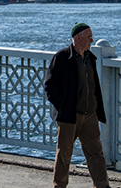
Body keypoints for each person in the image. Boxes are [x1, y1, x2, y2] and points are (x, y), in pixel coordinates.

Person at [44, 22, 110, 188]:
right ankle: (59, 186)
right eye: (89, 37)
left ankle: (102, 185)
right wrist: (63, 107)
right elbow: (49, 86)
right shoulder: (61, 57)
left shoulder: (90, 58)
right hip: (69, 115)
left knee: (96, 154)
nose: (92, 40)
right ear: (78, 38)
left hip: (89, 115)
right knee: (64, 153)